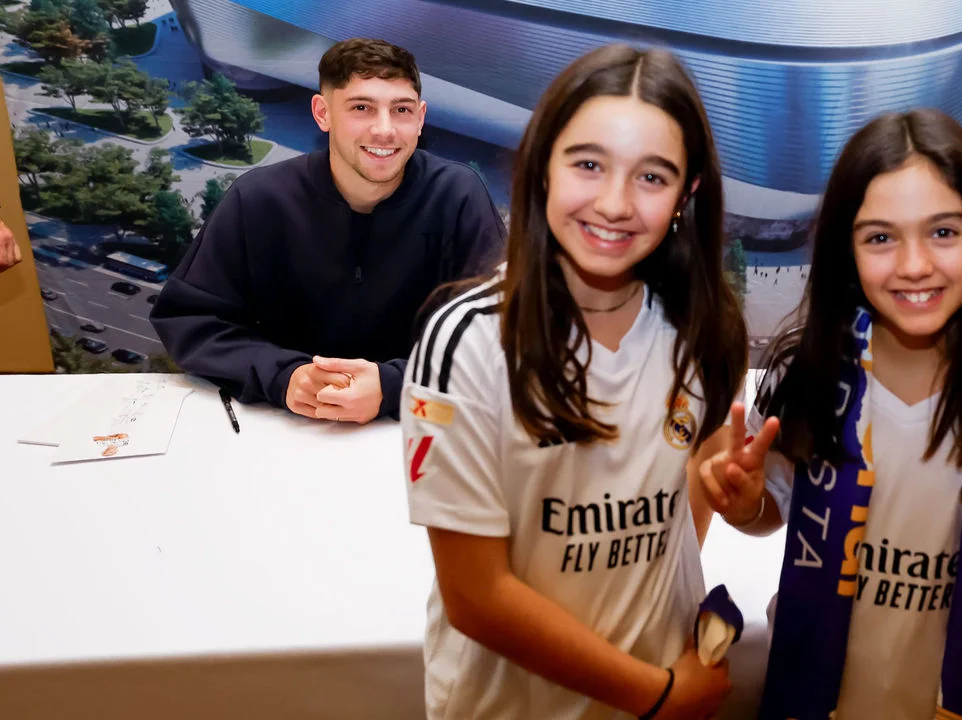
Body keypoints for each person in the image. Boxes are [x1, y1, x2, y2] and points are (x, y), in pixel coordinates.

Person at [400, 45, 747, 718]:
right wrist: (653, 693)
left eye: (653, 176)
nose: (615, 204)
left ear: (688, 192)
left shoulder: (704, 329)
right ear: (542, 167)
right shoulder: (467, 342)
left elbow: (685, 505)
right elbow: (476, 597)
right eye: (589, 164)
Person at [697, 110, 962, 719]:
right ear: (845, 250)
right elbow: (771, 512)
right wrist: (744, 507)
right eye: (880, 237)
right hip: (813, 690)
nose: (914, 265)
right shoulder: (807, 368)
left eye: (943, 233)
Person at [151, 38, 504, 422]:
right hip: (286, 425)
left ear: (420, 118)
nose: (384, 130)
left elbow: (500, 338)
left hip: (417, 422)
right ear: (323, 113)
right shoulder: (259, 198)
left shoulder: (457, 195)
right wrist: (286, 376)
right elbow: (190, 319)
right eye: (361, 108)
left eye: (400, 109)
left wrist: (393, 386)